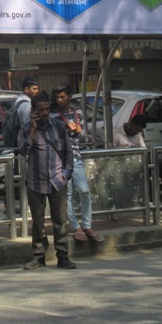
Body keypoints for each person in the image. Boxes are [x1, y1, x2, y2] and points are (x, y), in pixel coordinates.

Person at [20, 92, 76, 270]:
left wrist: (66, 174)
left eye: (47, 109)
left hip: (57, 180)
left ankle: (63, 257)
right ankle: (38, 257)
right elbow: (22, 151)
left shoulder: (58, 126)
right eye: (40, 110)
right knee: (38, 222)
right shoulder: (26, 128)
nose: (44, 113)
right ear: (33, 111)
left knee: (60, 222)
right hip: (36, 181)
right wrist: (32, 130)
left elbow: (69, 153)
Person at [50, 84, 103, 244]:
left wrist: (78, 131)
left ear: (69, 96)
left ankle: (87, 225)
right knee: (67, 194)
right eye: (57, 97)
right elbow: (53, 139)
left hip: (76, 156)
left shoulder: (78, 113)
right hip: (61, 159)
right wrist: (66, 130)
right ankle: (75, 226)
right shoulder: (54, 115)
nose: (60, 100)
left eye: (62, 97)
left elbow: (83, 136)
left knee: (84, 191)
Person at [113, 115, 162, 202]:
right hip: (123, 164)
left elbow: (144, 148)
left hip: (138, 162)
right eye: (136, 129)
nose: (136, 132)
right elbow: (111, 153)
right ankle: (155, 196)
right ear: (130, 124)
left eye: (139, 131)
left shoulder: (137, 135)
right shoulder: (116, 134)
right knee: (146, 168)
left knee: (159, 165)